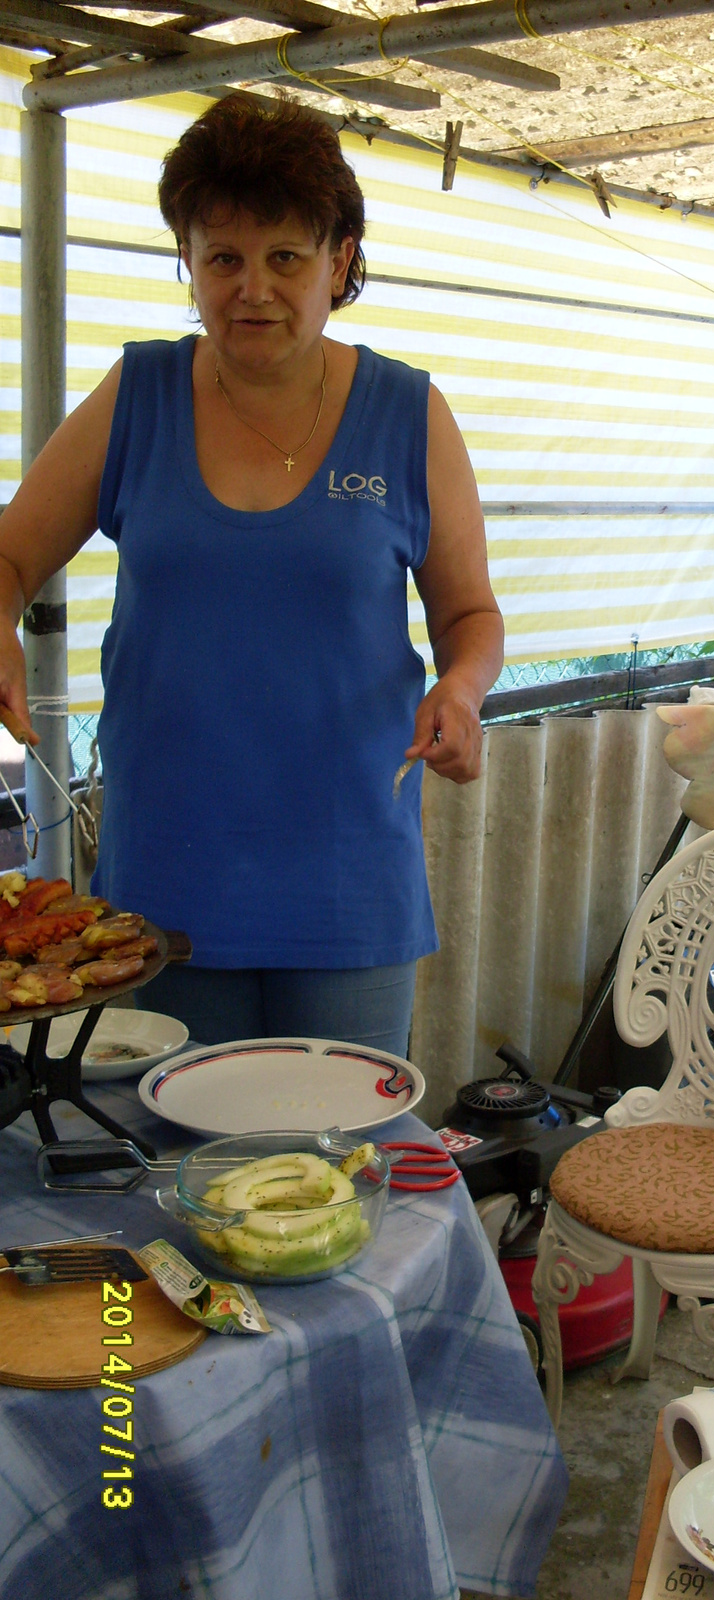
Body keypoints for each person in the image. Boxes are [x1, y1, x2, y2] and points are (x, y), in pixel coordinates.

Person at [0, 95, 502, 1053]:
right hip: (168, 883)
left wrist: (465, 692)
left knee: (338, 1165)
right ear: (187, 261)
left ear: (340, 261)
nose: (253, 290)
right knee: (176, 1169)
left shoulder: (409, 413)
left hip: (348, 881)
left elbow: (470, 613)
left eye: (286, 258)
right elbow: (9, 553)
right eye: (222, 259)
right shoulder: (138, 395)